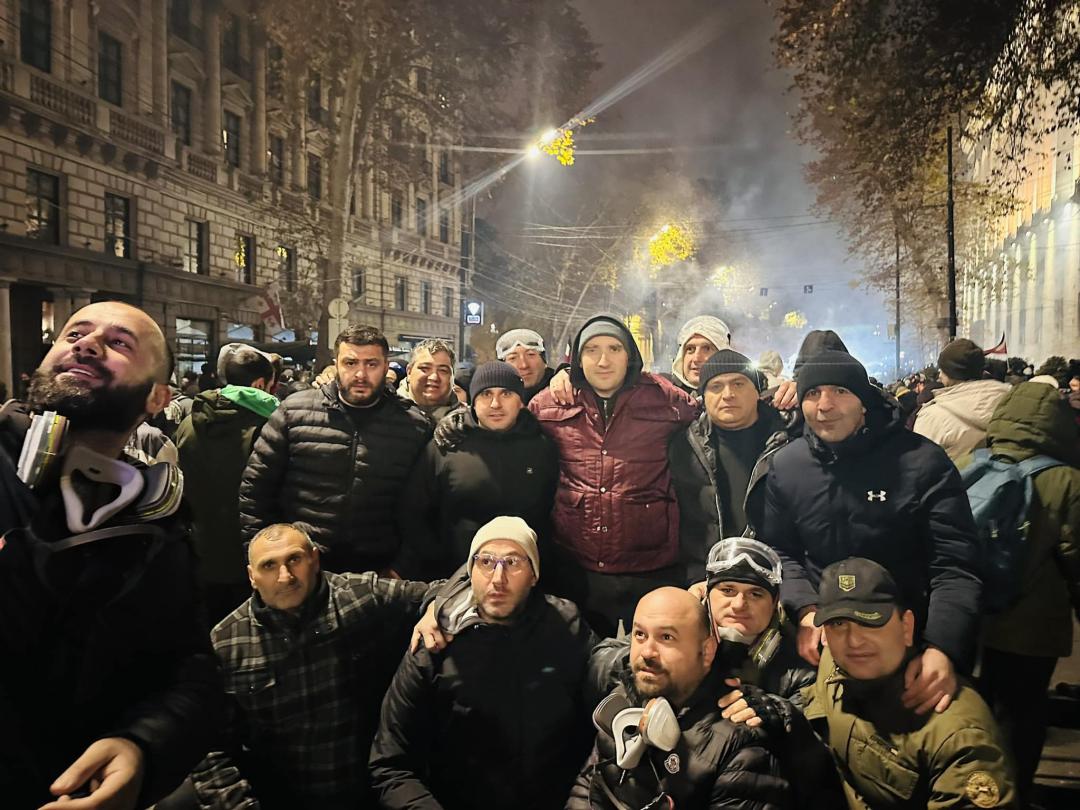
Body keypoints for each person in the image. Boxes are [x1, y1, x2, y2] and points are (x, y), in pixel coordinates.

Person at [0, 301, 221, 809]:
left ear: (157, 398)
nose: (87, 342)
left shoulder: (158, 527)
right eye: (73, 333)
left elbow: (189, 672)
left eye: (119, 343)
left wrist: (143, 748)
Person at [760, 349, 982, 713]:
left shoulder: (921, 462)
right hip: (826, 643)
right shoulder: (788, 466)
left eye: (840, 392)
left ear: (864, 401)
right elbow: (780, 550)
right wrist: (805, 610)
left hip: (907, 646)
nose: (825, 405)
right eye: (813, 394)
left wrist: (943, 648)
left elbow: (955, 564)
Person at [192, 523, 432, 809]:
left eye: (294, 559)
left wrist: (435, 611)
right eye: (269, 565)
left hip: (372, 787)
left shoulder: (359, 595)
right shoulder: (227, 642)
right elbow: (208, 747)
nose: (285, 576)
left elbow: (441, 592)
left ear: (314, 559)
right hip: (279, 796)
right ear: (251, 577)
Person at [369, 517, 597, 810]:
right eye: (486, 562)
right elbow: (390, 764)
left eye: (513, 563)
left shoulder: (567, 626)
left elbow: (602, 720)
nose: (498, 578)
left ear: (534, 575)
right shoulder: (435, 644)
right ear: (469, 572)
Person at [529, 313, 698, 635]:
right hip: (577, 567)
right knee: (582, 668)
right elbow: (507, 431)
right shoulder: (552, 404)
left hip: (651, 567)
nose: (603, 360)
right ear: (577, 358)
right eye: (591, 350)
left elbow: (715, 416)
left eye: (614, 348)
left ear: (630, 355)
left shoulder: (666, 400)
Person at [803, 558, 1016, 809]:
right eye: (838, 624)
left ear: (907, 626)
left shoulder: (957, 735)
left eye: (871, 621)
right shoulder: (832, 663)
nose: (854, 641)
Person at [567, 587, 788, 809]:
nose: (647, 652)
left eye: (666, 637)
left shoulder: (741, 743)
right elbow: (587, 790)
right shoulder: (624, 699)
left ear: (707, 651)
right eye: (640, 635)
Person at [967, 381, 1080, 803]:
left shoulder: (972, 463)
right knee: (1023, 711)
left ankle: (975, 789)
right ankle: (1015, 791)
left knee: (977, 708)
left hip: (975, 615)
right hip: (1033, 626)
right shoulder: (1067, 480)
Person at [240, 325, 431, 574]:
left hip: (380, 572)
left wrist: (402, 567)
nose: (360, 374)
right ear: (336, 364)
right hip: (302, 567)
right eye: (350, 363)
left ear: (386, 367)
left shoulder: (414, 425)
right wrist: (264, 561)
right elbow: (255, 492)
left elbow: (425, 507)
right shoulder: (293, 412)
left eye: (371, 364)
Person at [394, 361, 558, 580]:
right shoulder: (448, 445)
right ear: (473, 401)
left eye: (506, 393)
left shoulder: (542, 447)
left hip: (524, 579)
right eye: (486, 394)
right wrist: (434, 560)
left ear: (520, 401)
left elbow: (551, 513)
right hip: (454, 576)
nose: (495, 404)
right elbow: (414, 510)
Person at [669, 349, 796, 583]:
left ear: (758, 391)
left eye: (738, 384)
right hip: (706, 578)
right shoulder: (683, 446)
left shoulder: (789, 440)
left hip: (779, 578)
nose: (728, 394)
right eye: (716, 386)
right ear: (703, 397)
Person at [176, 344, 279, 626]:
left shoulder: (189, 422)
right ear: (260, 384)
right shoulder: (268, 425)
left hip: (202, 550)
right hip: (252, 556)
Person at [913, 338, 1012, 460]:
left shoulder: (931, 416)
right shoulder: (1010, 401)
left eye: (942, 370)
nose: (939, 375)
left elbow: (921, 465)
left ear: (951, 372)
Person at [399, 338, 464, 422]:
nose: (434, 377)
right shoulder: (385, 414)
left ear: (453, 377)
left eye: (443, 370)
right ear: (409, 372)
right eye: (425, 368)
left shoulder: (468, 423)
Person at [667, 315, 732, 395]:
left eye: (707, 348)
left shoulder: (739, 401)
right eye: (690, 349)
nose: (696, 358)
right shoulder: (661, 399)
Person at [495, 327, 556, 403]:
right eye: (513, 358)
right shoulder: (496, 403)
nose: (524, 365)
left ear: (544, 361)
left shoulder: (564, 392)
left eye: (530, 355)